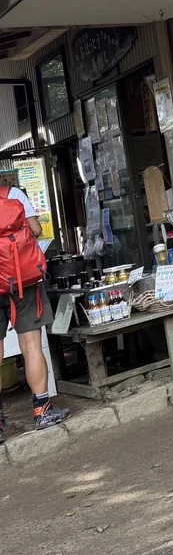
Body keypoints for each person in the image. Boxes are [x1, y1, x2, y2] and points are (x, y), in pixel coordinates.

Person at [0, 185, 69, 443]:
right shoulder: (13, 194)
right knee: (31, 345)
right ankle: (42, 411)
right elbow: (36, 229)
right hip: (22, 281)